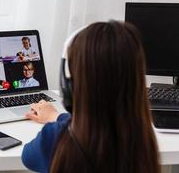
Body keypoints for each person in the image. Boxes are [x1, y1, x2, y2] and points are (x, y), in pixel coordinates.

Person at [21, 21, 160, 173]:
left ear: (69, 86)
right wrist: (57, 116)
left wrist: (59, 120)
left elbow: (27, 157)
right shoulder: (143, 141)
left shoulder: (54, 137)